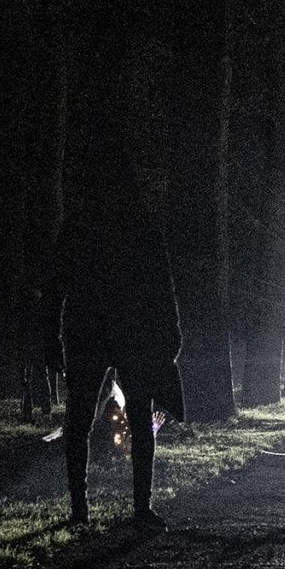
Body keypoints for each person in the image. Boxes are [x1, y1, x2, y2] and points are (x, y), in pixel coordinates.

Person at [43, 168, 183, 528]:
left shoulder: (80, 223)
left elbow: (55, 286)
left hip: (89, 329)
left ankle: (82, 510)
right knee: (133, 416)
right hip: (128, 330)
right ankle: (139, 508)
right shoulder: (141, 224)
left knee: (81, 419)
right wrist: (171, 331)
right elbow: (162, 285)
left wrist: (50, 337)